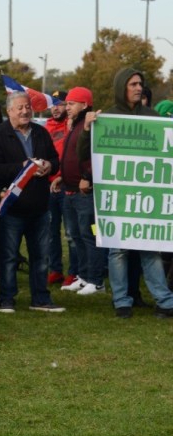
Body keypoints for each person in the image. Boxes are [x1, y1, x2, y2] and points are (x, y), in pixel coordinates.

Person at [80, 68, 173, 319]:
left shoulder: (153, 117)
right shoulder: (107, 117)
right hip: (117, 198)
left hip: (146, 199)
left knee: (150, 249)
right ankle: (121, 301)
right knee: (117, 250)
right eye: (132, 84)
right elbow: (84, 156)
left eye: (140, 83)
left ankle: (165, 301)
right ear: (122, 86)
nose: (138, 87)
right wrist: (88, 130)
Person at [0, 92, 63, 313]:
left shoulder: (41, 133)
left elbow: (56, 160)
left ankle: (41, 298)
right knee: (8, 257)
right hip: (12, 207)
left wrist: (48, 166)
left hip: (40, 206)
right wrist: (22, 167)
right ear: (9, 111)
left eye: (27, 107)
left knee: (40, 256)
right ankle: (7, 299)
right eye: (20, 108)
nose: (25, 111)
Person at [56, 87, 107, 296]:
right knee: (76, 236)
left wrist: (88, 177)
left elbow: (98, 154)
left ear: (85, 105)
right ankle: (84, 276)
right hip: (70, 191)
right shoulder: (75, 125)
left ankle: (96, 281)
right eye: (66, 103)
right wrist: (62, 176)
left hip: (85, 193)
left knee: (89, 236)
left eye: (71, 103)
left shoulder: (92, 124)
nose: (66, 107)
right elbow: (71, 156)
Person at [43, 92, 73, 287]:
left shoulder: (71, 126)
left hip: (67, 185)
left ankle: (75, 272)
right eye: (53, 104)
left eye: (61, 104)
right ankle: (55, 269)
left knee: (71, 233)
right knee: (51, 232)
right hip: (49, 186)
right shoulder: (46, 128)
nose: (56, 108)